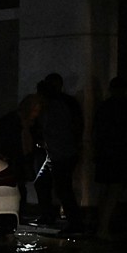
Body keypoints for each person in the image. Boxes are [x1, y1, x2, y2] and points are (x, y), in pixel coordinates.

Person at [33, 73, 84, 231]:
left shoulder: (56, 107)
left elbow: (57, 130)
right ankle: (53, 216)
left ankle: (73, 222)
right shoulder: (61, 104)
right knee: (51, 185)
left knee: (62, 188)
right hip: (57, 153)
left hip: (61, 153)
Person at [92, 76, 127, 239]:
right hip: (118, 152)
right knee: (114, 190)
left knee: (104, 190)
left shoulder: (104, 106)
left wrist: (95, 151)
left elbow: (96, 131)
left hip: (104, 152)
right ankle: (104, 228)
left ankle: (100, 225)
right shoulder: (125, 107)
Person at [0, 94, 42, 215]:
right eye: (35, 111)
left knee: (21, 186)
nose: (36, 114)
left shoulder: (31, 124)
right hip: (11, 158)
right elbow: (3, 140)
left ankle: (20, 212)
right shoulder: (11, 121)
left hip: (22, 158)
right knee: (15, 186)